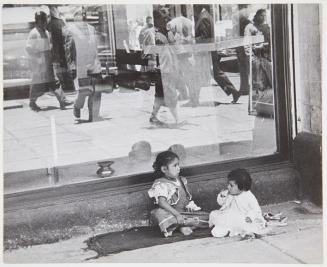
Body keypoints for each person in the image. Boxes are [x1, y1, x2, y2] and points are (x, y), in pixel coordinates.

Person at [148, 151, 208, 237]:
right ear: (164, 169)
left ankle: (183, 225)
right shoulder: (161, 184)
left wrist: (190, 206)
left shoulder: (182, 180)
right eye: (175, 165)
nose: (178, 168)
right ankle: (184, 225)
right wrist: (177, 214)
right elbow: (162, 202)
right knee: (159, 214)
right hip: (171, 214)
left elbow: (186, 198)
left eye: (178, 165)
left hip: (184, 214)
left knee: (209, 216)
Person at [194, 5, 240, 104]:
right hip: (208, 52)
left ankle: (194, 99)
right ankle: (234, 92)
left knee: (200, 74)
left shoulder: (204, 18)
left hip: (206, 52)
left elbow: (204, 37)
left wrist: (192, 40)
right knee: (215, 73)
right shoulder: (205, 16)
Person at [25, 10, 70, 111]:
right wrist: (38, 58)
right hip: (38, 64)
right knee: (37, 85)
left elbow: (48, 46)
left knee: (54, 82)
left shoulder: (45, 32)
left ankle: (63, 100)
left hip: (47, 61)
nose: (46, 23)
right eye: (44, 21)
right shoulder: (34, 33)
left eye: (46, 20)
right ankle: (32, 102)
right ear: (38, 21)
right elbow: (28, 48)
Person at [63, 10, 102, 121]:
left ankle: (92, 115)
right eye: (80, 17)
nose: (83, 19)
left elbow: (95, 47)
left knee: (95, 90)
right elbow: (68, 50)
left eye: (84, 17)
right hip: (81, 65)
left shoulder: (92, 29)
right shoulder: (71, 30)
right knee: (85, 91)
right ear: (75, 19)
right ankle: (77, 106)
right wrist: (71, 66)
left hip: (94, 64)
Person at [209, 168, 266, 238]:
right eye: (228, 184)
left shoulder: (248, 196)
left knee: (241, 224)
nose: (228, 187)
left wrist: (249, 217)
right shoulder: (229, 194)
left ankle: (239, 231)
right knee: (215, 215)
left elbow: (256, 209)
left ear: (242, 187)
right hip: (229, 215)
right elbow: (221, 203)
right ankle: (226, 229)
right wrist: (222, 196)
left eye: (231, 185)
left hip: (242, 218)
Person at [47, 5, 75, 102]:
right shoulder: (56, 22)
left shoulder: (55, 22)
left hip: (59, 52)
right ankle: (67, 89)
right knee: (62, 72)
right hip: (59, 52)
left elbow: (62, 38)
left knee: (61, 72)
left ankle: (66, 90)